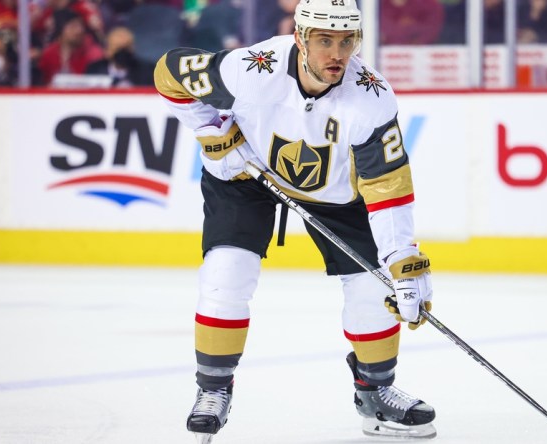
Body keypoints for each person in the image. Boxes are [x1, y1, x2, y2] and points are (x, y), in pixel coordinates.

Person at [153, 0, 436, 441]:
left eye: (347, 41)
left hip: (334, 195)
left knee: (373, 285)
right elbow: (169, 73)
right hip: (246, 174)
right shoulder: (254, 68)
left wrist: (404, 259)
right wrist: (210, 129)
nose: (337, 54)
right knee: (227, 274)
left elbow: (387, 186)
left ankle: (376, 391)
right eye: (324, 40)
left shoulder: (372, 97)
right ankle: (213, 389)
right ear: (301, 37)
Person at [37, 8, 103, 85]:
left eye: (81, 26)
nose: (79, 30)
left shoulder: (93, 54)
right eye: (73, 26)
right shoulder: (48, 55)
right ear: (60, 31)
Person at [85, 26, 152, 86]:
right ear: (107, 51)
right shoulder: (94, 71)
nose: (122, 53)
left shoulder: (147, 72)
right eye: (118, 48)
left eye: (126, 47)